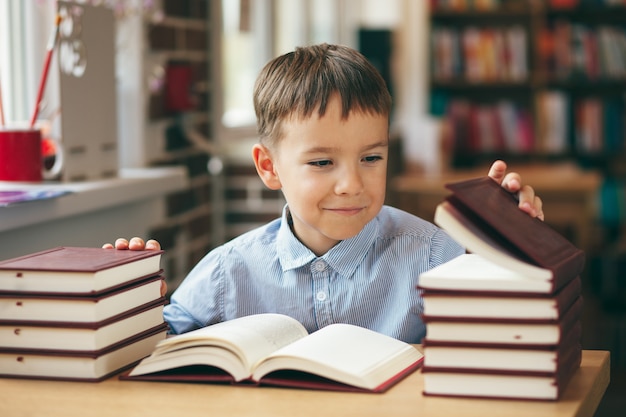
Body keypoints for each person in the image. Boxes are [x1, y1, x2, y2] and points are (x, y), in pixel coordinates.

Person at [104, 44, 543, 343]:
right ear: (268, 167)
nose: (351, 183)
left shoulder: (432, 256)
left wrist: (511, 250)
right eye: (321, 162)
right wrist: (130, 307)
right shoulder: (227, 272)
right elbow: (155, 351)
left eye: (371, 158)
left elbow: (508, 336)